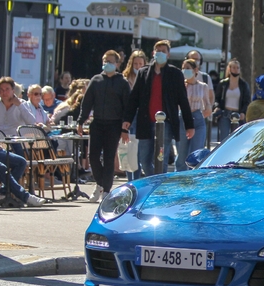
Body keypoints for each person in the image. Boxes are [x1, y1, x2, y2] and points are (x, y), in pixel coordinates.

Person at [122, 40, 194, 176]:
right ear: (153, 53)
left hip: (165, 123)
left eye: (163, 51)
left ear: (168, 54)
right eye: (158, 50)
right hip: (145, 121)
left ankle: (159, 186)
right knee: (144, 159)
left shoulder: (175, 74)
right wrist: (127, 119)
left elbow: (183, 101)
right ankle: (154, 181)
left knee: (162, 158)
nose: (160, 53)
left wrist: (189, 125)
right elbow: (134, 99)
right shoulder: (143, 73)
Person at [77, 50, 130, 203]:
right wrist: (81, 121)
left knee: (108, 159)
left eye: (110, 61)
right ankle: (100, 184)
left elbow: (128, 107)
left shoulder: (122, 82)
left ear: (117, 64)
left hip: (114, 124)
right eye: (105, 60)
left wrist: (124, 128)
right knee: (92, 157)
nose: (107, 63)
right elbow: (86, 103)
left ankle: (106, 191)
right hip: (97, 123)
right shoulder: (96, 80)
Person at [175, 59, 211, 172]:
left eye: (188, 68)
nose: (185, 70)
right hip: (183, 119)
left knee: (196, 153)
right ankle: (179, 179)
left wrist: (201, 116)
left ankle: (194, 179)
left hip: (198, 118)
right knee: (182, 153)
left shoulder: (203, 86)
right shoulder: (180, 86)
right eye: (183, 68)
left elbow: (208, 105)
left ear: (195, 70)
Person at [0, 76, 36, 157]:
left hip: (15, 140)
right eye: (1, 90)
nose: (4, 92)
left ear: (13, 91)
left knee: (21, 159)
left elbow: (31, 122)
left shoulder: (22, 104)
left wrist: (19, 105)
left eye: (7, 89)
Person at [121, 49, 148, 181]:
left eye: (140, 64)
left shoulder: (147, 77)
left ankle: (135, 180)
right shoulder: (125, 79)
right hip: (129, 116)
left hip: (142, 116)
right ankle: (129, 180)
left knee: (137, 151)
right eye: (135, 64)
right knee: (128, 149)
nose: (138, 67)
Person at [214, 58, 250, 140]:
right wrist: (217, 107)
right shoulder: (223, 84)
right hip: (225, 114)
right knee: (224, 138)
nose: (236, 70)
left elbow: (247, 100)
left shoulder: (243, 85)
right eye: (233, 67)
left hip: (238, 115)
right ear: (229, 69)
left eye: (238, 68)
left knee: (237, 138)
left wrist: (243, 112)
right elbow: (217, 98)